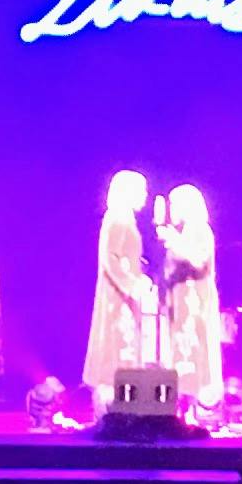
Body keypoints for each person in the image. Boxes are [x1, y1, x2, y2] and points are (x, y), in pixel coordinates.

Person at [83, 169, 158, 415]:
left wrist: (140, 277)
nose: (145, 196)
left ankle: (122, 409)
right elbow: (110, 259)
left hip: (125, 296)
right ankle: (111, 411)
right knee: (116, 349)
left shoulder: (125, 219)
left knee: (125, 349)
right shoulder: (117, 219)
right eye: (141, 190)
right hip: (118, 298)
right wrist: (132, 285)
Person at [156, 181, 223, 414]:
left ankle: (193, 406)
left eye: (174, 204)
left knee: (193, 352)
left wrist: (175, 242)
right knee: (179, 353)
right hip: (180, 303)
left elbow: (198, 260)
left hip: (194, 302)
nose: (171, 209)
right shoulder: (184, 232)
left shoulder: (199, 230)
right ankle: (180, 406)